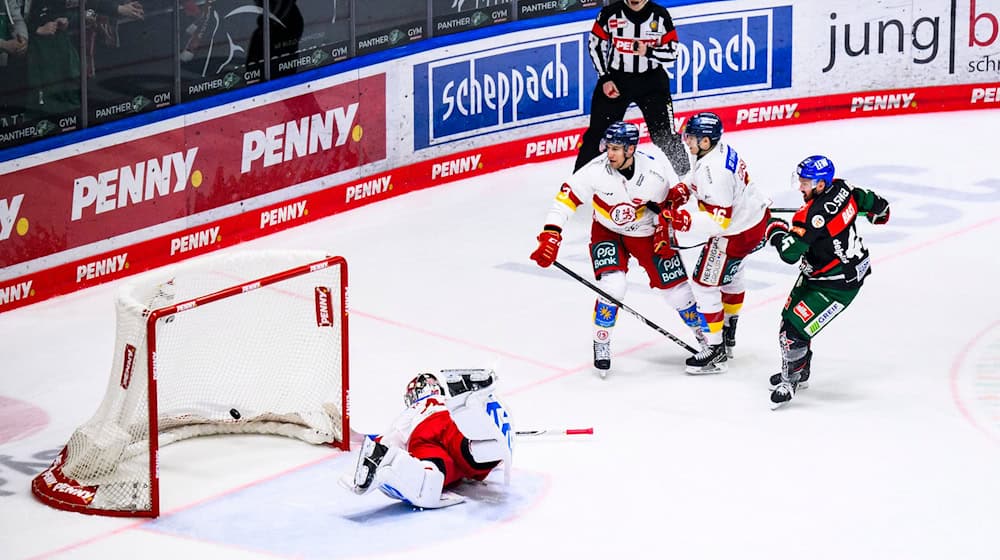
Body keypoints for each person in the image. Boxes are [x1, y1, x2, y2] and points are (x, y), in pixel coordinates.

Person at [531, 120, 706, 375]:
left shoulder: (654, 174)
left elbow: (665, 210)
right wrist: (551, 233)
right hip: (607, 232)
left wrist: (664, 234)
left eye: (615, 148)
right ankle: (601, 340)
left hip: (645, 234)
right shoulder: (595, 171)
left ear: (630, 149)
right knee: (613, 286)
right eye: (608, 147)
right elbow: (564, 202)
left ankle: (707, 340)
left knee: (677, 291)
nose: (609, 153)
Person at [763, 155, 891, 409]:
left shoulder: (811, 215)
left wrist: (774, 229)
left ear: (821, 185)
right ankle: (800, 371)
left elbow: (790, 253)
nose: (800, 187)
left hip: (837, 285)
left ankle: (790, 381)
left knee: (793, 329)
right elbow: (875, 204)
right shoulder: (844, 188)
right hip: (826, 272)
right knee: (789, 319)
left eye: (805, 183)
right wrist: (881, 213)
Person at [660, 112, 770, 374]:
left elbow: (719, 222)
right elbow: (699, 175)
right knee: (732, 275)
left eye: (692, 138)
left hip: (737, 232)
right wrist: (685, 188)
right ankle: (729, 331)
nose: (687, 141)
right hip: (756, 220)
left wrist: (683, 220)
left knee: (703, 283)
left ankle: (715, 350)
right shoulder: (715, 152)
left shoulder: (715, 171)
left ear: (706, 141)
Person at [345, 369, 512, 509]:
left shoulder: (413, 409)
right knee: (470, 449)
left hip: (424, 434)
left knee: (434, 465)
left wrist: (378, 447)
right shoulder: (446, 401)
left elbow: (394, 436)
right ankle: (489, 445)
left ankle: (429, 471)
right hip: (450, 421)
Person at [574, 0, 688, 176]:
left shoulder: (660, 15)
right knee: (596, 136)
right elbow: (595, 44)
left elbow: (673, 53)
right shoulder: (609, 13)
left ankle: (687, 179)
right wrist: (605, 78)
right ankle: (576, 185)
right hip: (616, 81)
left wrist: (648, 52)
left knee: (664, 135)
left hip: (652, 82)